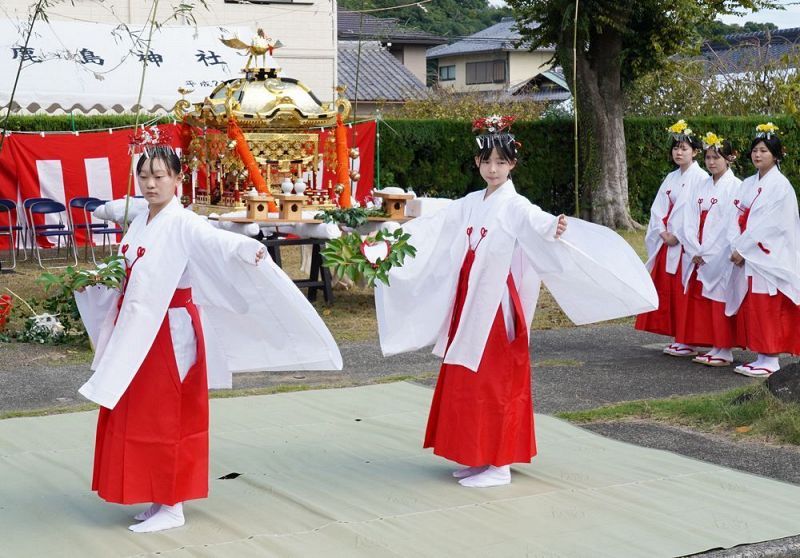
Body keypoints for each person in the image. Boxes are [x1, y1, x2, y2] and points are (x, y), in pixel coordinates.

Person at [374, 116, 657, 488]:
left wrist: (550, 228)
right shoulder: (472, 202)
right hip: (469, 298)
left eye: (500, 162)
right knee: (467, 377)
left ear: (512, 164)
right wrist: (390, 240)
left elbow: (535, 220)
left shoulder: (516, 204)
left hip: (494, 304)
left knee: (496, 379)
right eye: (486, 161)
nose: (493, 169)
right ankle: (478, 456)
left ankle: (500, 463)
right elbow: (437, 221)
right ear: (477, 164)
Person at [75, 145, 342, 533]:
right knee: (135, 411)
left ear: (178, 179)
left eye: (159, 176)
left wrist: (246, 248)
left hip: (171, 330)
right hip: (137, 330)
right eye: (144, 176)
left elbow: (216, 240)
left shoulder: (185, 222)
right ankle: (155, 495)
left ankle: (173, 503)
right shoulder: (141, 219)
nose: (150, 184)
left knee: (166, 415)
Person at [724, 123, 800, 376]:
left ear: (776, 155)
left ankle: (771, 358)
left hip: (767, 253)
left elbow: (770, 225)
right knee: (754, 304)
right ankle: (760, 355)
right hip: (748, 251)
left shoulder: (781, 186)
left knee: (768, 305)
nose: (758, 155)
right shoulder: (747, 183)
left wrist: (743, 248)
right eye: (755, 150)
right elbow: (736, 215)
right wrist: (736, 244)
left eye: (764, 151)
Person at [636, 120, 709, 356]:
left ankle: (688, 338)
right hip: (667, 242)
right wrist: (661, 230)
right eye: (676, 148)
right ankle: (678, 335)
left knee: (685, 290)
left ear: (695, 152)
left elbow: (696, 213)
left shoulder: (700, 178)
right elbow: (658, 208)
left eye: (684, 148)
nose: (679, 152)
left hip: (685, 243)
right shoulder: (671, 177)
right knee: (669, 290)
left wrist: (678, 234)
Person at [673, 132, 741, 366]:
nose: (712, 162)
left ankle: (724, 348)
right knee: (701, 298)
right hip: (698, 247)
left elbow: (730, 226)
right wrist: (694, 249)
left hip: (719, 251)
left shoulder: (736, 187)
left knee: (721, 296)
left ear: (729, 159)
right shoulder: (701, 185)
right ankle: (712, 343)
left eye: (717, 157)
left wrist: (709, 252)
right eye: (709, 157)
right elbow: (688, 218)